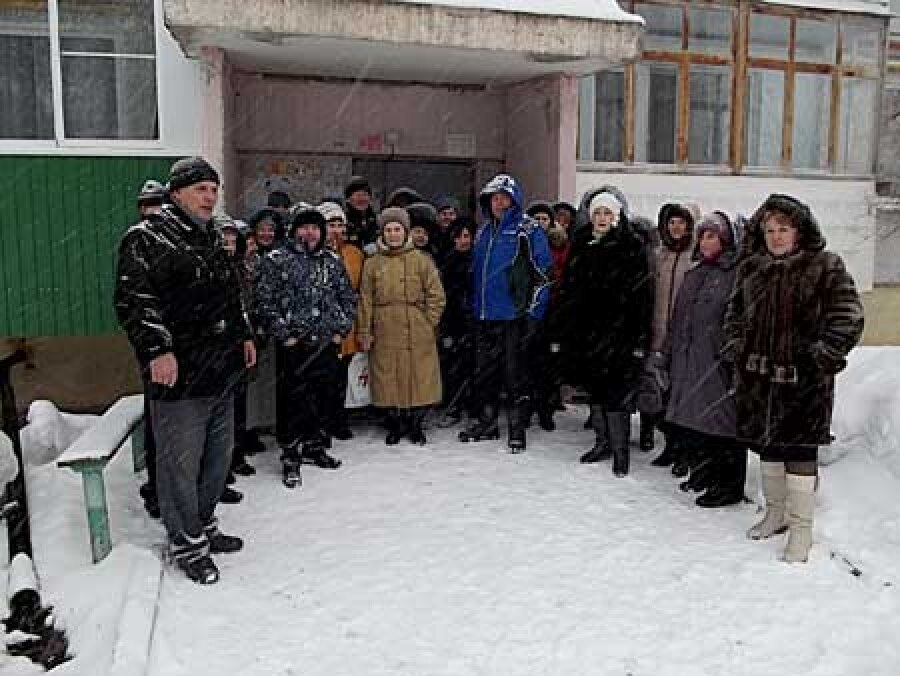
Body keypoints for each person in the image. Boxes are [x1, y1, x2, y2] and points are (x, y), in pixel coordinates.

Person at [115, 157, 255, 585]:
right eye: (201, 189)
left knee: (217, 461)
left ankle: (205, 523)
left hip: (220, 371)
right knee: (180, 465)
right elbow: (135, 301)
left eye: (214, 189)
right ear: (176, 194)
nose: (210, 196)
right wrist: (158, 349)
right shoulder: (147, 238)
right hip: (180, 376)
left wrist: (244, 334)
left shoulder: (213, 236)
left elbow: (231, 295)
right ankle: (186, 543)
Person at [722, 194, 863, 563]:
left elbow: (848, 315)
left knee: (800, 453)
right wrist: (737, 345)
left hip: (805, 383)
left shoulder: (826, 266)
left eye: (783, 229)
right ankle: (775, 513)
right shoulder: (751, 267)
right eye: (769, 230)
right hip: (759, 381)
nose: (776, 237)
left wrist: (823, 355)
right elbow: (733, 314)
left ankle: (801, 530)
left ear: (799, 231)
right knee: (768, 448)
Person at [256, 207, 357, 487]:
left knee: (321, 397)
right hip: (294, 346)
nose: (309, 233)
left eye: (315, 227)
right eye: (304, 227)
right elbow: (264, 302)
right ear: (293, 230)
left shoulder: (332, 261)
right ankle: (290, 454)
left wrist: (341, 329)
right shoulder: (277, 260)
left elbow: (347, 297)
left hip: (325, 344)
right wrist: (284, 334)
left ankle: (314, 446)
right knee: (292, 401)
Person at [459, 174, 552, 453]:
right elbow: (475, 272)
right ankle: (487, 423)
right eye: (494, 198)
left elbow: (544, 274)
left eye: (504, 197)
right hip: (484, 316)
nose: (499, 203)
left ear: (514, 199)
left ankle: (517, 428)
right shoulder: (483, 232)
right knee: (483, 374)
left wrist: (534, 313)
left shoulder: (528, 230)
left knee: (515, 376)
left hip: (514, 317)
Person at [561, 189, 651, 476]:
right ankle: (602, 442)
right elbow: (571, 289)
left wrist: (637, 336)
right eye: (597, 213)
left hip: (620, 333)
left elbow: (641, 296)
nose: (601, 218)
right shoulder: (581, 243)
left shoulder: (630, 246)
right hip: (589, 332)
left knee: (618, 393)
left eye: (607, 213)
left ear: (617, 216)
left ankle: (620, 452)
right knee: (596, 390)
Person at [663, 212, 744, 507]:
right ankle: (708, 472)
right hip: (692, 357)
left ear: (725, 239)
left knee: (722, 423)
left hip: (717, 359)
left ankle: (730, 484)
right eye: (703, 235)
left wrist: (727, 351)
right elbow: (680, 317)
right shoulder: (696, 271)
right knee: (699, 421)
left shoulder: (734, 272)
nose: (706, 241)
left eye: (712, 235)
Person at [358, 207, 446, 445]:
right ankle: (395, 424)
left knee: (419, 377)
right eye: (388, 230)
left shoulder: (422, 260)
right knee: (388, 377)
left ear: (405, 231)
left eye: (397, 229)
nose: (393, 234)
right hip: (384, 326)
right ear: (382, 233)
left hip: (417, 325)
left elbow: (436, 295)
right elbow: (365, 299)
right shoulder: (372, 263)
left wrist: (429, 321)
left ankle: (415, 424)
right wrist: (365, 331)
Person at [645, 203, 696, 466]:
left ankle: (684, 450)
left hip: (683, 338)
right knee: (661, 393)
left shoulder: (694, 258)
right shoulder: (658, 255)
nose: (676, 228)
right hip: (658, 333)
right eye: (672, 222)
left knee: (682, 395)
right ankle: (669, 444)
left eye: (681, 223)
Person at [133, 179, 167, 519]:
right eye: (148, 206)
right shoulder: (138, 243)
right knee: (160, 425)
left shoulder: (178, 243)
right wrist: (155, 348)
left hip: (189, 354)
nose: (155, 212)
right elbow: (135, 304)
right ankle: (157, 489)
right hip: (157, 354)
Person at [320, 201, 364, 440]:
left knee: (341, 377)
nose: (336, 230)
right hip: (321, 327)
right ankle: (322, 422)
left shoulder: (355, 254)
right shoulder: (314, 253)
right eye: (330, 224)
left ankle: (338, 420)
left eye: (339, 224)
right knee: (322, 378)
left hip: (347, 324)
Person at [437, 217, 476, 426]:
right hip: (454, 321)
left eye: (467, 236)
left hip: (475, 320)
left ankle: (473, 407)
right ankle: (453, 408)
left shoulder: (478, 261)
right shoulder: (447, 262)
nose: (463, 241)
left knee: (475, 368)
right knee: (453, 369)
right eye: (459, 236)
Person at [344, 176, 379, 250]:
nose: (362, 199)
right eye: (358, 195)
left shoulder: (377, 220)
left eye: (365, 195)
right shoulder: (343, 221)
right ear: (348, 199)